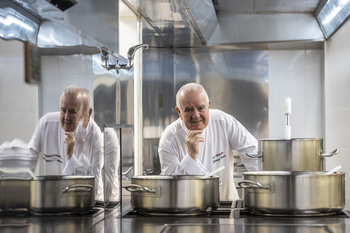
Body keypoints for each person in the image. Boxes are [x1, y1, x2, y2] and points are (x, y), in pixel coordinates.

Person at [158, 83, 260, 202]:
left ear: (208, 106)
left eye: (201, 108)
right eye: (188, 110)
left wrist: (266, 188)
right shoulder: (169, 139)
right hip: (188, 212)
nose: (196, 116)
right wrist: (191, 155)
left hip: (227, 206)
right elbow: (171, 189)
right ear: (179, 112)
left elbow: (255, 155)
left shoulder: (224, 122)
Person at [29, 85, 104, 201]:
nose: (66, 117)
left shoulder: (96, 139)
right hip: (54, 203)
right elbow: (28, 162)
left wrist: (70, 157)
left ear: (86, 114)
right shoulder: (47, 124)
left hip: (85, 206)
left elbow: (91, 191)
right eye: (63, 110)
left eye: (72, 112)